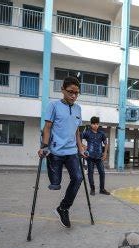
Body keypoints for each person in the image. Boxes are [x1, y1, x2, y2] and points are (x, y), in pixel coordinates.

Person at [38, 76, 87, 228]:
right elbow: (47, 127)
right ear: (62, 90)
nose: (73, 95)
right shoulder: (53, 106)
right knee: (55, 185)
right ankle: (55, 181)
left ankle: (63, 208)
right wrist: (44, 146)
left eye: (77, 93)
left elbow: (77, 131)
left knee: (78, 178)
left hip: (71, 151)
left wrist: (80, 148)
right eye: (70, 92)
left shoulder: (78, 109)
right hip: (55, 152)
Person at [81, 116, 110, 195]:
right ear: (91, 124)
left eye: (97, 124)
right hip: (89, 157)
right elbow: (78, 138)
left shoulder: (101, 133)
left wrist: (105, 153)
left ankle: (102, 189)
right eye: (93, 124)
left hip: (99, 157)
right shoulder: (87, 133)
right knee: (90, 173)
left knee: (102, 173)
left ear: (98, 124)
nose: (95, 125)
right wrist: (83, 147)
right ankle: (92, 189)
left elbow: (106, 143)